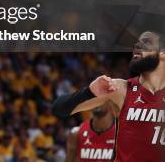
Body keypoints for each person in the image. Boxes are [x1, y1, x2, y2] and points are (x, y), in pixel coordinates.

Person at [53, 30, 165, 162]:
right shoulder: (120, 89)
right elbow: (59, 109)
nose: (137, 46)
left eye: (146, 42)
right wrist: (88, 92)